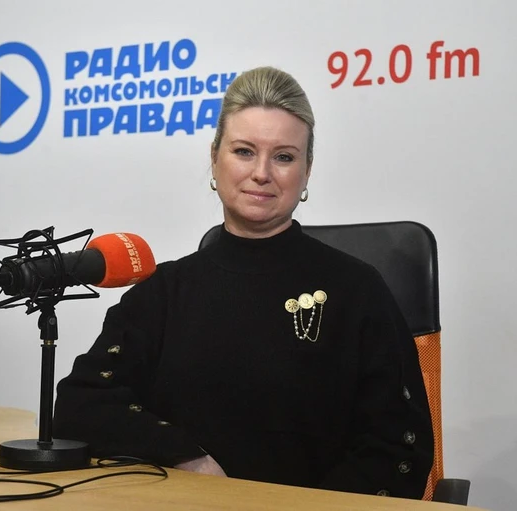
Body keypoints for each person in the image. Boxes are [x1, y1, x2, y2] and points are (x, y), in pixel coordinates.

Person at [53, 66, 434, 499]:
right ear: (215, 158)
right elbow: (81, 404)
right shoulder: (163, 292)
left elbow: (399, 449)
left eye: (284, 157)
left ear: (307, 171)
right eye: (244, 151)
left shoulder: (358, 290)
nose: (262, 173)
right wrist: (186, 456)